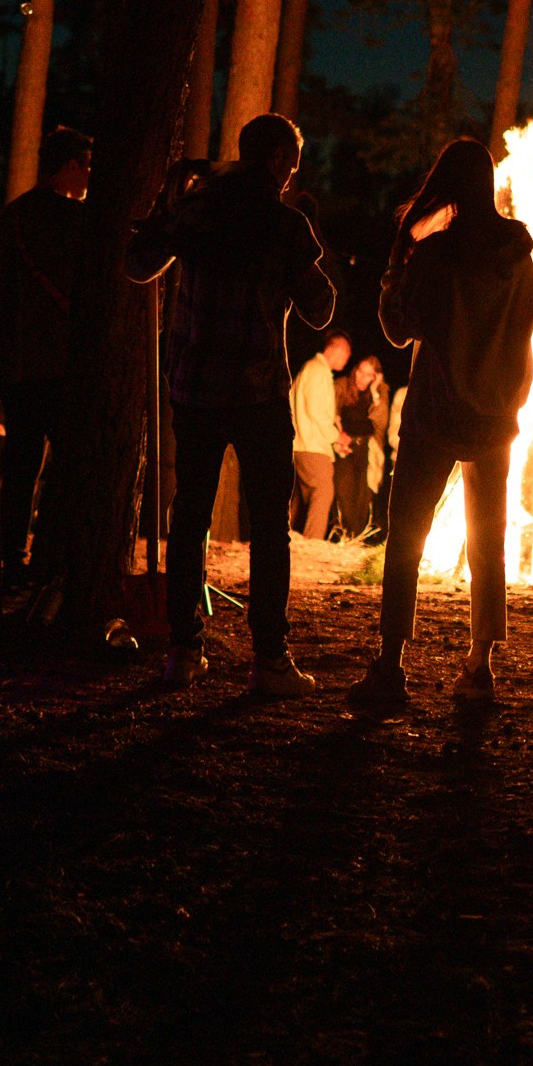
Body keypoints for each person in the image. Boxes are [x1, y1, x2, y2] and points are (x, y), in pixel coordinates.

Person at [126, 113, 337, 693]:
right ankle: (269, 660)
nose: (293, 173)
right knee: (270, 528)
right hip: (260, 394)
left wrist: (169, 207)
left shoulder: (198, 210)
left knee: (188, 519)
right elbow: (322, 310)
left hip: (195, 390)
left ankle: (183, 651)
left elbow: (137, 264)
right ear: (274, 160)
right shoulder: (284, 224)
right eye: (291, 162)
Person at [349, 139, 533, 718]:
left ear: (447, 188)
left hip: (436, 413)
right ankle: (479, 666)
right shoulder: (516, 251)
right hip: (496, 414)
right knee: (489, 538)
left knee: (406, 533)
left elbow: (397, 328)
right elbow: (532, 315)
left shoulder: (434, 255)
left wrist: (395, 262)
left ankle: (391, 663)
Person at [0, 125, 90, 576]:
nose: (89, 176)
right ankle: (46, 556)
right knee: (65, 467)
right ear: (68, 166)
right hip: (59, 362)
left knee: (22, 467)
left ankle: (10, 555)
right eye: (86, 166)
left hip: (15, 364)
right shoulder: (73, 220)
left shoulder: (11, 217)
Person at [288, 331, 353, 541]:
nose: (346, 361)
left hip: (305, 443)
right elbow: (316, 411)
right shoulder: (317, 371)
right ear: (338, 350)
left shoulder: (313, 370)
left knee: (301, 500)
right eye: (346, 356)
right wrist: (337, 436)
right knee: (323, 491)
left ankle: (288, 541)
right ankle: (312, 543)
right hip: (311, 446)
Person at [332, 353, 385, 539]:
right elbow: (331, 413)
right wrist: (338, 436)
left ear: (375, 377)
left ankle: (358, 539)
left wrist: (375, 391)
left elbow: (380, 423)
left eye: (368, 375)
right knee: (344, 492)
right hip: (344, 446)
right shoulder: (342, 385)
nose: (361, 378)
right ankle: (348, 536)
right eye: (360, 372)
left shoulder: (379, 392)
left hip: (367, 449)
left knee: (363, 496)